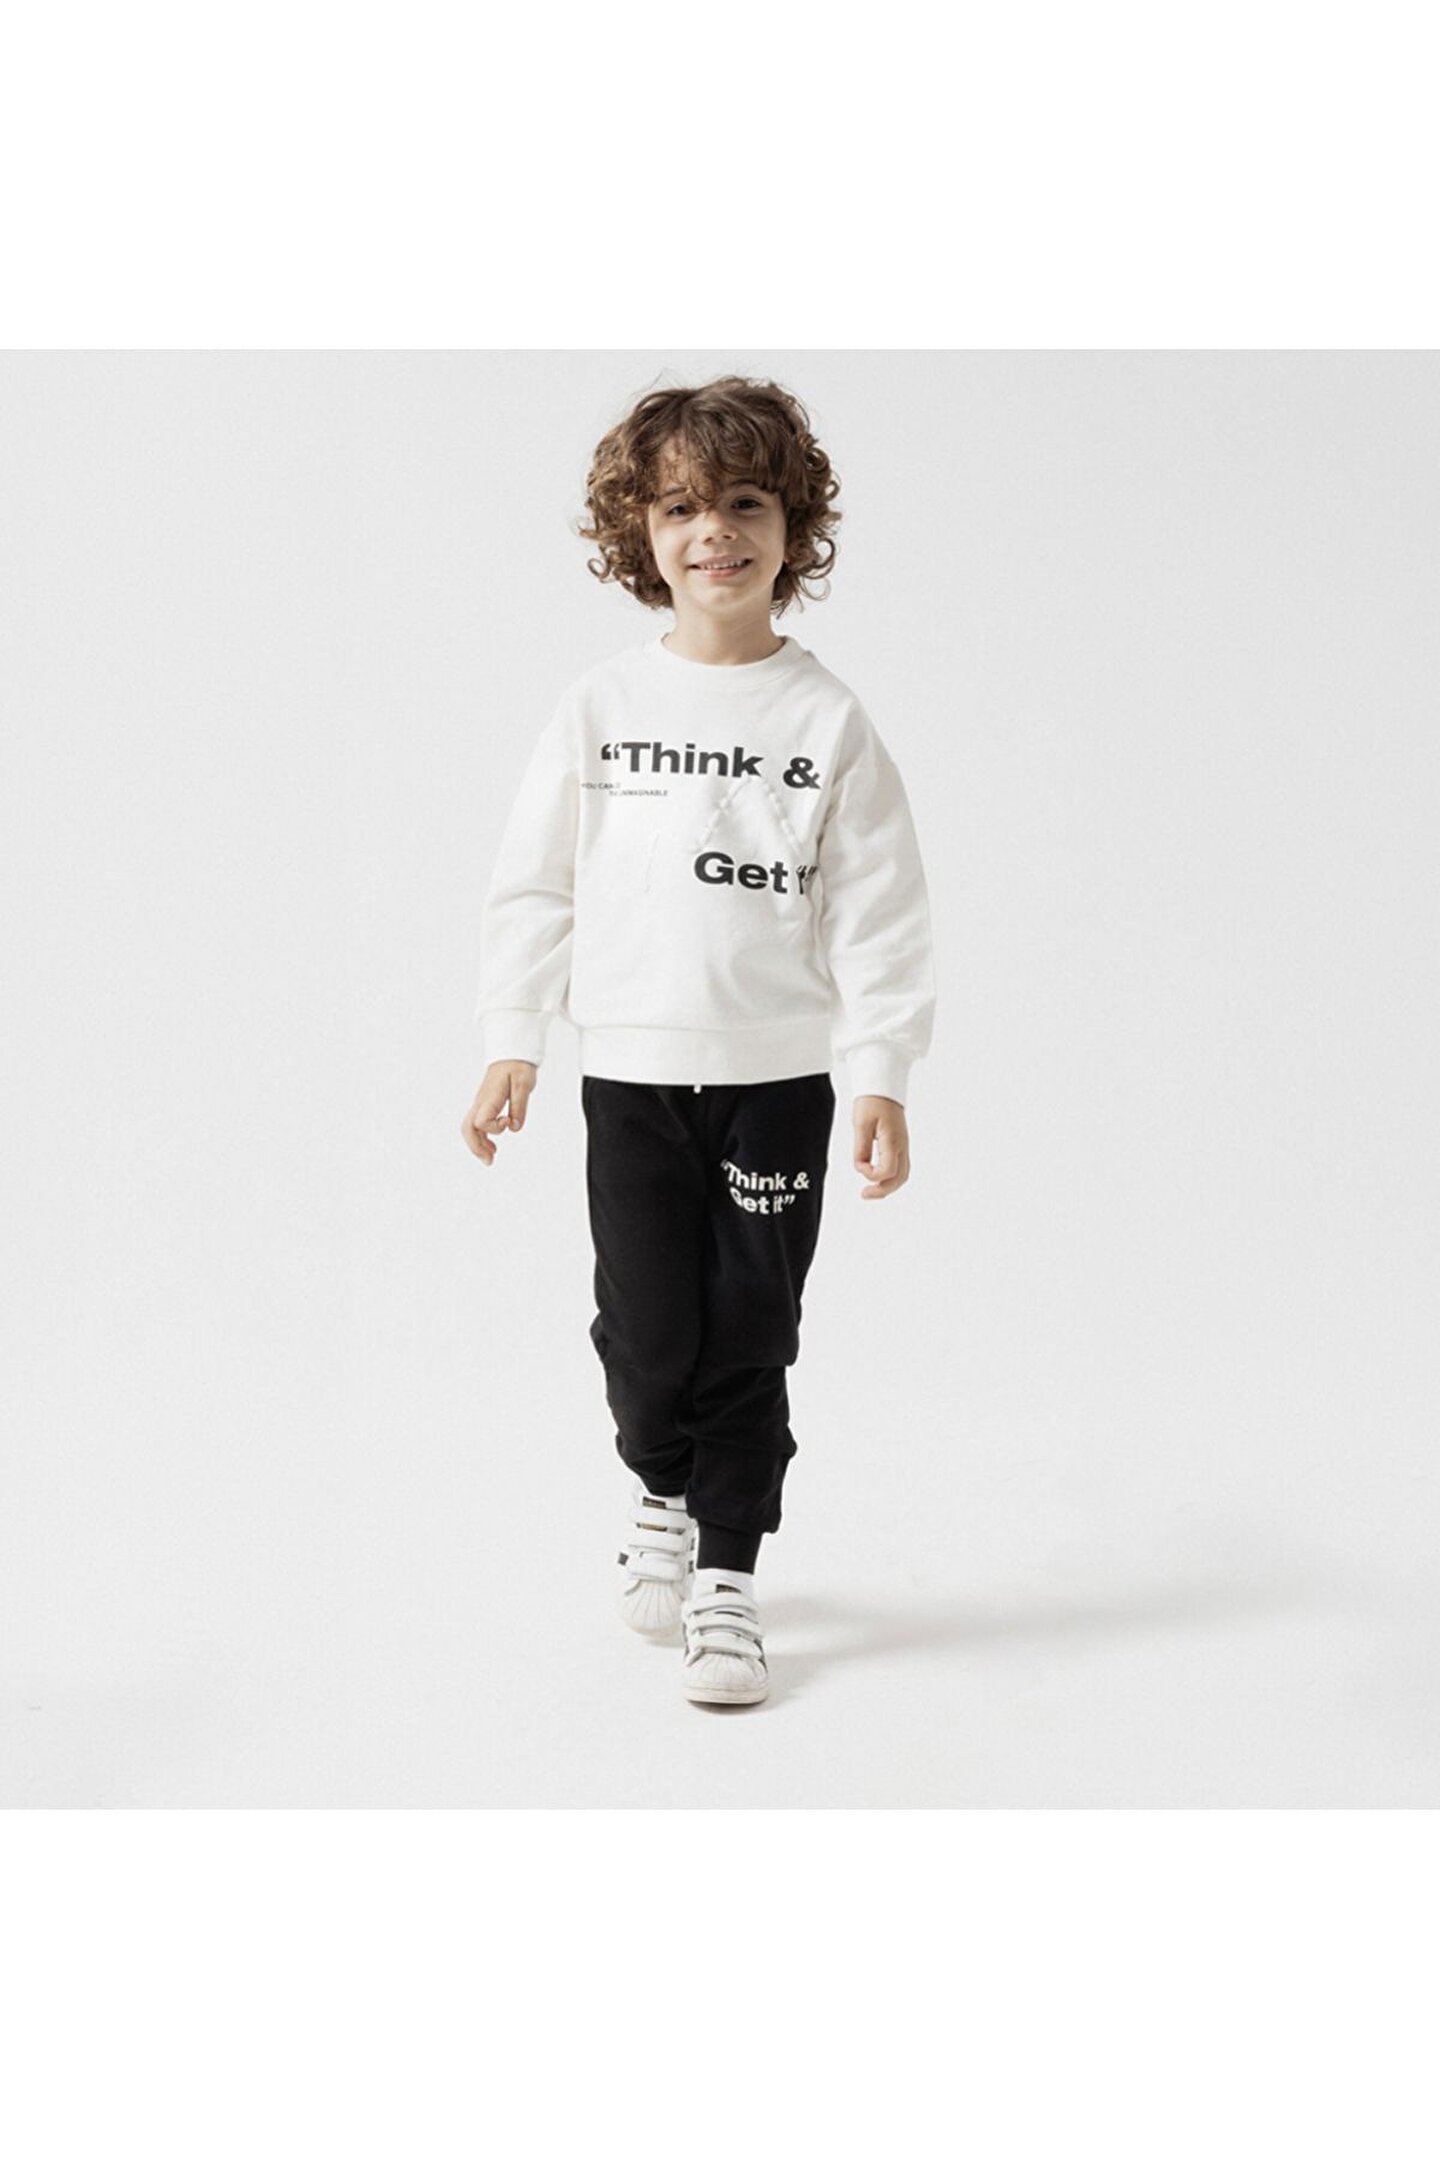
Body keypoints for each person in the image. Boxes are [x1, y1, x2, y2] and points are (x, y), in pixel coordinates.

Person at [460, 374, 937, 1708]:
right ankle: (661, 1488)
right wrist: (514, 1036)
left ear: (793, 530)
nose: (713, 531)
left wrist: (881, 1073)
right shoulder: (601, 707)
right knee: (647, 1331)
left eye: (744, 503)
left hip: (776, 1081)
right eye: (679, 508)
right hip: (630, 1077)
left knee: (751, 1328)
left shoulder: (826, 720)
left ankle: (727, 1573)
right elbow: (535, 880)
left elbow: (882, 910)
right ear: (641, 534)